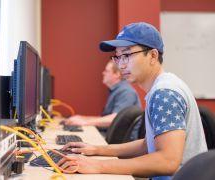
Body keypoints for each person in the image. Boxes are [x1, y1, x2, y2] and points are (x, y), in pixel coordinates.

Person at [58, 22, 207, 180]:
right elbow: (147, 145)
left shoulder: (164, 93)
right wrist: (96, 149)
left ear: (153, 56)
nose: (121, 65)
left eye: (127, 55)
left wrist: (97, 165)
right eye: (117, 56)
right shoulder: (162, 87)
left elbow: (167, 160)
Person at [62, 60, 141, 129]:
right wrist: (83, 118)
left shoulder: (126, 92)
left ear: (117, 74)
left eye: (106, 71)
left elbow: (114, 119)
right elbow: (105, 118)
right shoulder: (117, 90)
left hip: (119, 142)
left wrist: (85, 122)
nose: (103, 73)